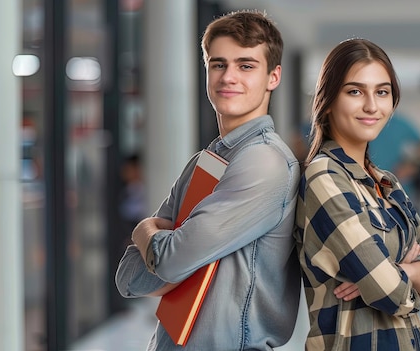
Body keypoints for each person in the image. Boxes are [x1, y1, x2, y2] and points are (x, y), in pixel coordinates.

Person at [115, 10, 301, 350]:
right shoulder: (207, 162)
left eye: (246, 66)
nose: (228, 77)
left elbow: (168, 262)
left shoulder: (265, 161)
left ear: (273, 77)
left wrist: (144, 230)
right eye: (218, 64)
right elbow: (130, 277)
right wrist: (166, 254)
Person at [294, 38, 420, 351]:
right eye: (355, 91)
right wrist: (408, 263)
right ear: (328, 100)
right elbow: (389, 292)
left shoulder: (387, 183)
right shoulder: (323, 177)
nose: (372, 105)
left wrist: (397, 269)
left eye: (381, 92)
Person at [369, 112, 420, 207]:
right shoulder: (363, 124)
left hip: (397, 189)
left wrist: (411, 166)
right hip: (370, 188)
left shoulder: (398, 123)